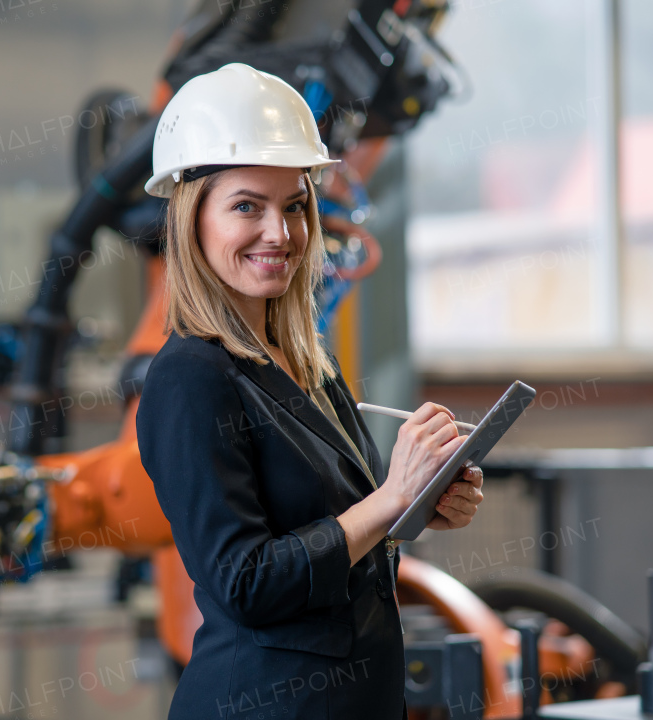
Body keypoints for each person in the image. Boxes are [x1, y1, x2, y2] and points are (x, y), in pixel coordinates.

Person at [135, 63, 484, 720]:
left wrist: (418, 507)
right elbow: (248, 584)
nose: (281, 233)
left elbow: (334, 533)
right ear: (192, 219)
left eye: (295, 206)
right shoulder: (190, 378)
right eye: (247, 206)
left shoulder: (306, 362)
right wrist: (390, 500)